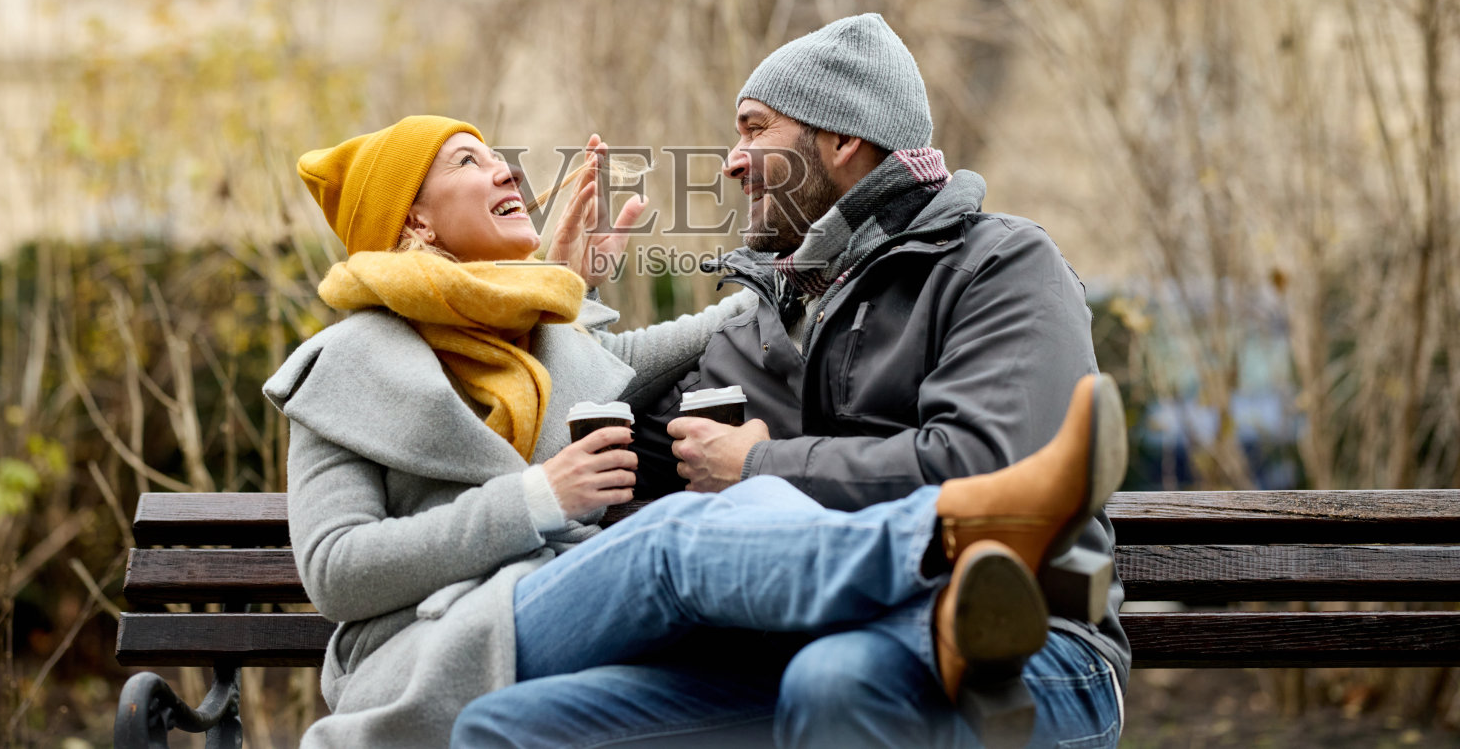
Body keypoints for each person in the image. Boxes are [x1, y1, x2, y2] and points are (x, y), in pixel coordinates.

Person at [266, 112, 1125, 749]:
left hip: (548, 634)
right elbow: (337, 571)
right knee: (679, 537)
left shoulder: (541, 340)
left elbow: (713, 327)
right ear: (412, 219)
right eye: (468, 161)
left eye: (500, 156)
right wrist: (535, 497)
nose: (507, 173)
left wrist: (810, 262)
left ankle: (949, 575)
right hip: (431, 648)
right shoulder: (345, 366)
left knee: (513, 728)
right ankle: (961, 529)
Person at [452, 14, 1130, 748]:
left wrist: (756, 464)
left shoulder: (997, 265)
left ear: (842, 140)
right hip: (783, 650)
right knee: (510, 727)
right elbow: (582, 448)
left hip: (1025, 649)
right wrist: (563, 305)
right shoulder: (749, 327)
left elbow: (990, 465)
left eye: (755, 129)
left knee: (840, 680)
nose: (731, 161)